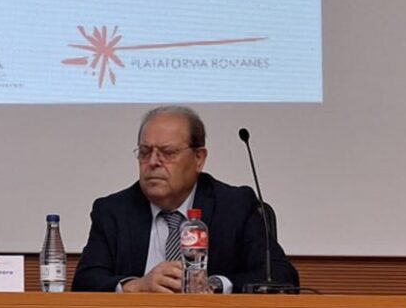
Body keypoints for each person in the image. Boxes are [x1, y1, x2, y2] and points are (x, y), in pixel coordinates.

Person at [74, 105, 299, 293]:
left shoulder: (234, 206)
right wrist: (136, 286)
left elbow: (281, 276)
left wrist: (215, 285)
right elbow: (84, 282)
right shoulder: (113, 211)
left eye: (168, 153)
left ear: (199, 158)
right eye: (145, 152)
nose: (153, 162)